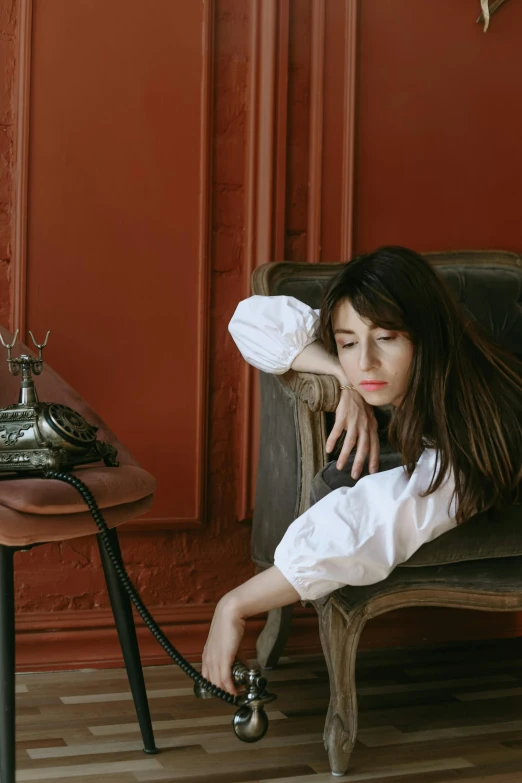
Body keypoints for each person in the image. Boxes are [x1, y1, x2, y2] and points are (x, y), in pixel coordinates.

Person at [202, 246, 522, 695]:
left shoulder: (472, 432)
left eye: (387, 338)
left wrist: (234, 604)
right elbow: (252, 320)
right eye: (349, 341)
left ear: (425, 335)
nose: (366, 361)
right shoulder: (391, 368)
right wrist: (341, 376)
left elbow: (375, 520)